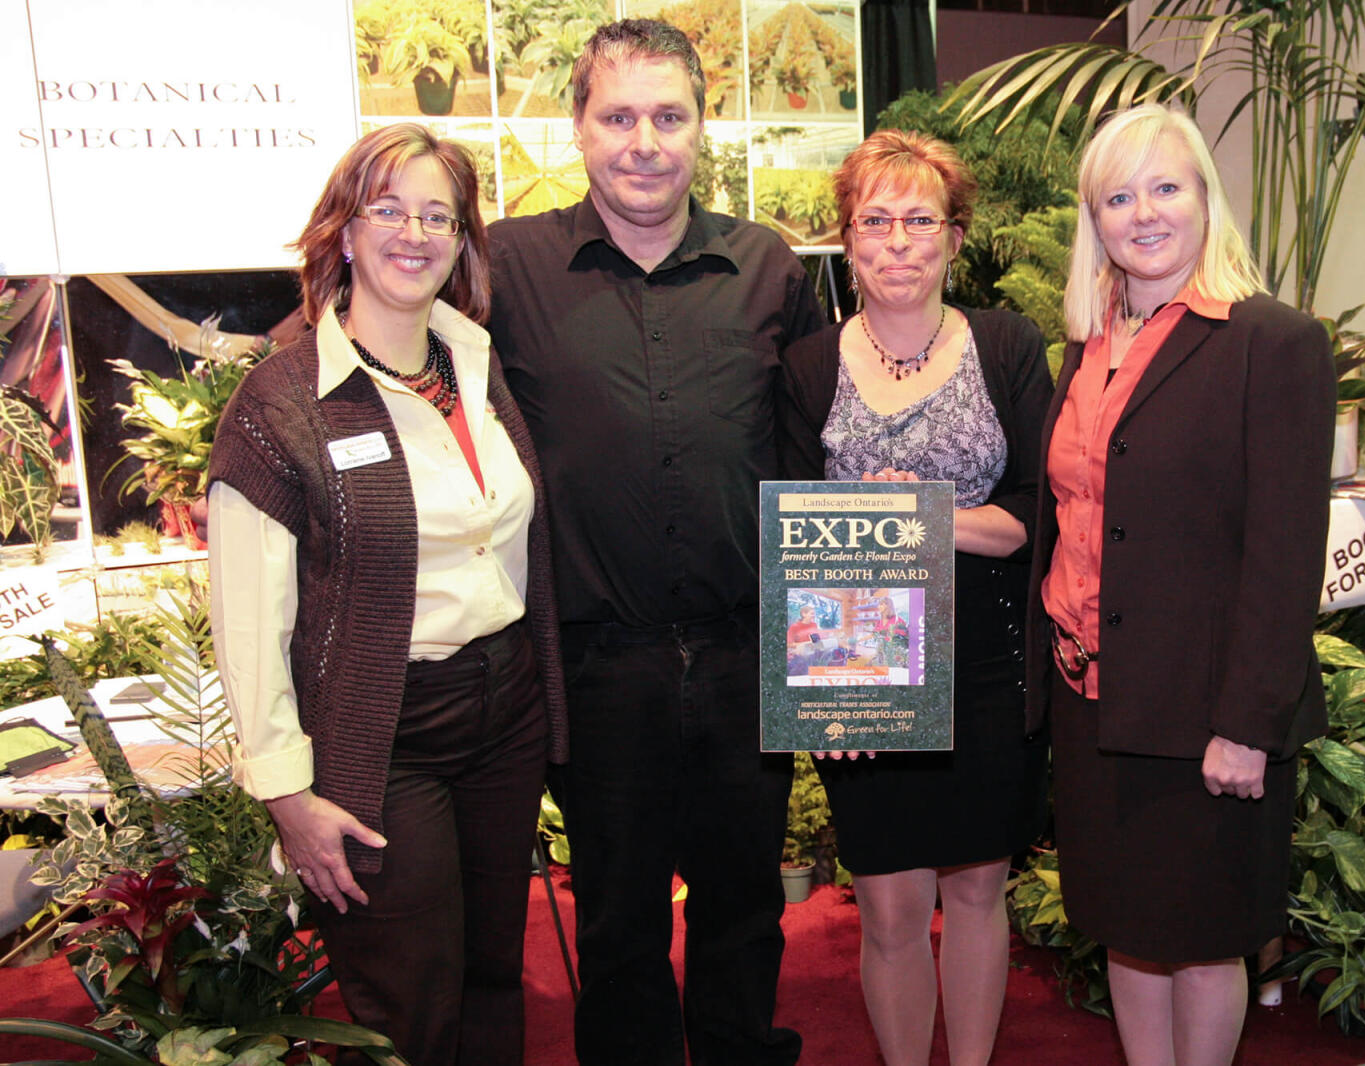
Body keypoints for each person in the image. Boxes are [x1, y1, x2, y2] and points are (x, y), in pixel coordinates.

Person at [485, 19, 823, 1066]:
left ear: (700, 130)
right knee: (619, 918)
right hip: (594, 661)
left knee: (745, 905)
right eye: (619, 116)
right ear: (579, 129)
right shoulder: (505, 268)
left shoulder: (767, 264)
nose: (644, 140)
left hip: (740, 652)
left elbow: (809, 461)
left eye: (667, 117)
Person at [208, 123, 566, 1066]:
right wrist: (287, 790)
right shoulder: (282, 403)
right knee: (405, 998)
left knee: (493, 973)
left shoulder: (474, 365)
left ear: (462, 241)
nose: (415, 233)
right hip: (382, 730)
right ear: (345, 230)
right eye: (389, 209)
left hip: (502, 715)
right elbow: (249, 622)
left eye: (438, 215)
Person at [1024, 103, 1334, 1066]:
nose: (1143, 214)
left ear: (1207, 199)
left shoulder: (1270, 342)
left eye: (1166, 188)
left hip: (1203, 717)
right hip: (1093, 700)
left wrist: (1247, 722)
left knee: (1200, 943)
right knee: (1126, 928)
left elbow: (1285, 554)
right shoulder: (1086, 345)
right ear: (1095, 219)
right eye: (1119, 196)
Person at [778, 129, 1051, 1066]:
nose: (897, 240)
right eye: (875, 220)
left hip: (986, 659)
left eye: (919, 219)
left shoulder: (1007, 344)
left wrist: (913, 514)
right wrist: (823, 689)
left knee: (978, 892)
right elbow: (789, 533)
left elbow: (1032, 514)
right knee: (891, 904)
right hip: (863, 659)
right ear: (848, 241)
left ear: (954, 236)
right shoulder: (808, 365)